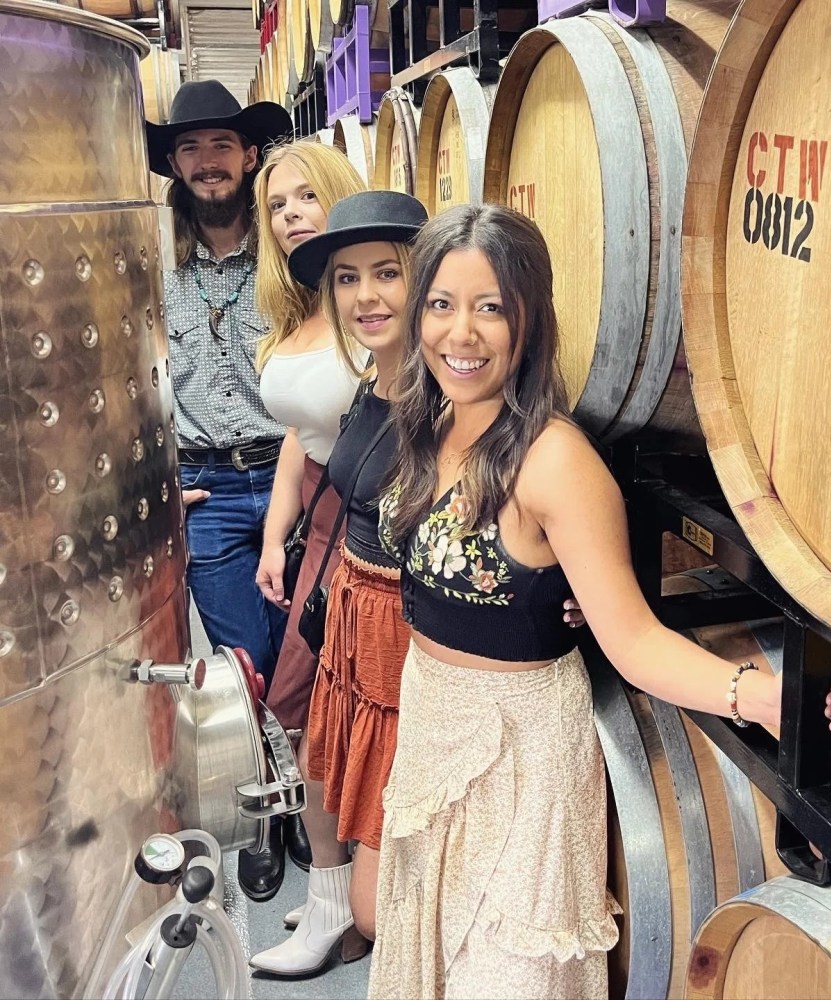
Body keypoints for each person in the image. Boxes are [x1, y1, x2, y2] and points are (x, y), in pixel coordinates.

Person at [370, 204, 831, 999]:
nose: (460, 334)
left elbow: (634, 639)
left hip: (523, 756)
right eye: (441, 304)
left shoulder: (555, 463)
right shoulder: (433, 423)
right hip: (434, 721)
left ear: (529, 321)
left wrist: (766, 698)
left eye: (490, 307)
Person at [248, 193, 594, 977]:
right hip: (357, 608)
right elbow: (318, 455)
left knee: (400, 881)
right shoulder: (382, 385)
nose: (367, 296)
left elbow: (523, 513)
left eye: (388, 274)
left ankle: (360, 915)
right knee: (328, 767)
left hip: (416, 641)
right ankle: (336, 906)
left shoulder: (456, 398)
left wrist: (561, 592)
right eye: (347, 279)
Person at [146, 80, 296, 901]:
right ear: (175, 164)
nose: (208, 162)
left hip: (288, 475)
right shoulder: (153, 266)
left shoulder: (288, 257)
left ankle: (308, 797)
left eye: (221, 146)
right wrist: (159, 480)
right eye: (191, 148)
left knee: (304, 652)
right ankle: (267, 810)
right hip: (206, 487)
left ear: (248, 155)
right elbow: (121, 382)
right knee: (244, 664)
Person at [245, 139, 366, 900]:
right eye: (277, 206)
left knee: (341, 703)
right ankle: (331, 886)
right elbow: (299, 434)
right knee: (297, 703)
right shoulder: (298, 311)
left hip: (370, 514)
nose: (291, 214)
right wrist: (273, 539)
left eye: (306, 196)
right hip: (319, 519)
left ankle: (347, 889)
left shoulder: (371, 301)